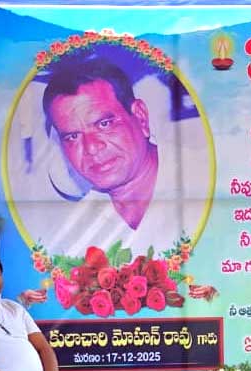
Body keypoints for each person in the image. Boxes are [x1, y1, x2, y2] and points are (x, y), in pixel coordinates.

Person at [27, 55, 207, 258]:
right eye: (73, 136)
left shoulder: (205, 180)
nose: (91, 148)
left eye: (104, 124)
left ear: (140, 117)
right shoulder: (77, 232)